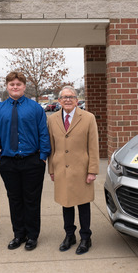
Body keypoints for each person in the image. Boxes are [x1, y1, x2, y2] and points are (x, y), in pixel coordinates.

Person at [0, 71, 50, 251]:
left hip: (32, 161)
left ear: (24, 87)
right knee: (14, 199)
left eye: (18, 84)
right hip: (8, 162)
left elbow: (43, 134)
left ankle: (32, 235)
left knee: (32, 200)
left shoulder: (35, 108)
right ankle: (18, 234)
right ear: (7, 87)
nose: (15, 87)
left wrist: (42, 157)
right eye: (11, 84)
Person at [47, 86, 99, 255]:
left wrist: (92, 170)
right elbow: (52, 147)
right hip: (61, 168)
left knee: (83, 204)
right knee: (66, 204)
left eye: (71, 97)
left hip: (81, 170)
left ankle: (85, 237)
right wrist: (52, 168)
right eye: (64, 97)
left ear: (77, 100)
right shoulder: (52, 119)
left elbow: (93, 146)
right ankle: (69, 235)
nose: (68, 99)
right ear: (59, 101)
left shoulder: (88, 118)